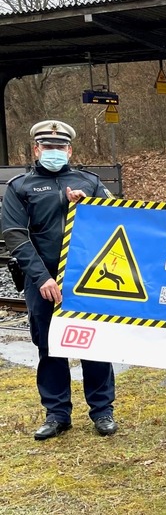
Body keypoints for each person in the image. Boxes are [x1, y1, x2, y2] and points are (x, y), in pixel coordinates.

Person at [1, 120, 119, 440]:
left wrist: (89, 207)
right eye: (47, 147)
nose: (54, 152)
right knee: (49, 346)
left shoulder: (90, 183)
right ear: (36, 149)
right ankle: (57, 414)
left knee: (94, 342)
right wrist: (42, 277)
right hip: (42, 281)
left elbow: (117, 221)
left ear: (70, 150)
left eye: (59, 147)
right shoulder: (20, 187)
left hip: (86, 280)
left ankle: (102, 411)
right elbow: (14, 235)